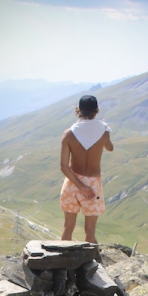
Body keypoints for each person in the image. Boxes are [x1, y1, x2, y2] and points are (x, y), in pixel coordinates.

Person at [60, 95, 113, 243]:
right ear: (96, 111)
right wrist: (105, 135)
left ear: (78, 110)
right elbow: (110, 148)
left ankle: (63, 263)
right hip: (93, 186)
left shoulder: (68, 134)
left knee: (68, 227)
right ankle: (91, 264)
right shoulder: (104, 130)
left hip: (72, 182)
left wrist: (80, 186)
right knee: (90, 231)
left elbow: (64, 166)